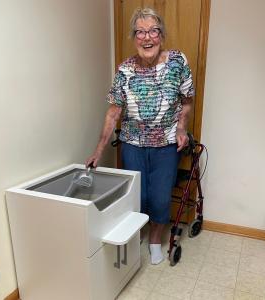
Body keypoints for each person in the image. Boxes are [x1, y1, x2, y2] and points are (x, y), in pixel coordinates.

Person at [86, 7, 194, 265]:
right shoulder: (125, 70)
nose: (147, 38)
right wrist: (98, 151)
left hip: (166, 144)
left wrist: (180, 129)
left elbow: (187, 100)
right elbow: (113, 114)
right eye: (140, 32)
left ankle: (155, 239)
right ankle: (139, 232)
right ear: (134, 37)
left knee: (159, 197)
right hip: (132, 144)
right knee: (137, 196)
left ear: (161, 35)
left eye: (153, 31)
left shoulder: (178, 62)